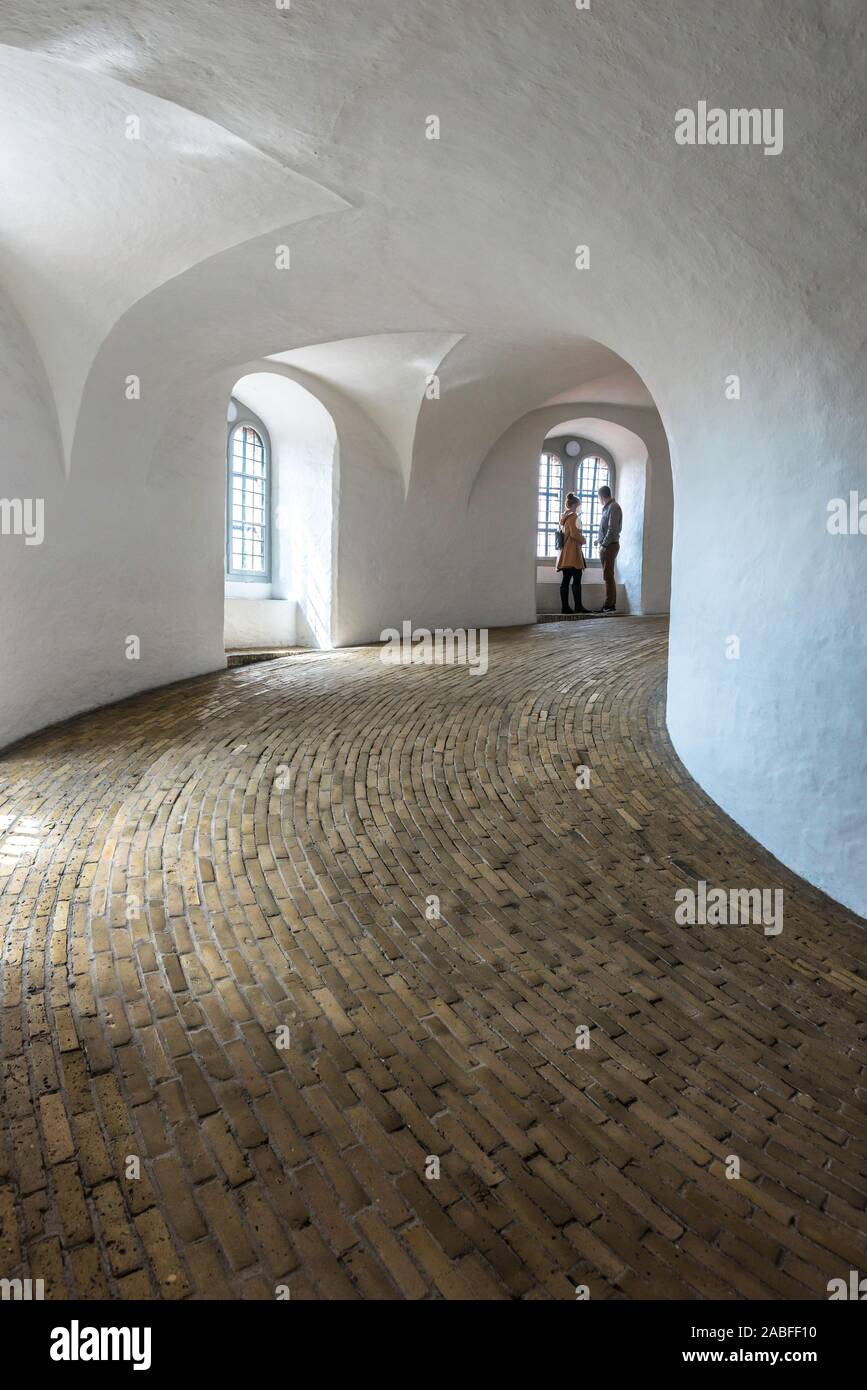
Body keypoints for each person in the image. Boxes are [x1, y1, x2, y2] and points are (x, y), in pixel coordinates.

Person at [556, 493, 589, 614]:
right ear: (575, 505)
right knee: (577, 579)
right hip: (573, 552)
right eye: (579, 505)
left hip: (565, 553)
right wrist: (584, 540)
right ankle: (578, 606)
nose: (580, 508)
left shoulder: (564, 517)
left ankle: (565, 608)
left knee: (566, 579)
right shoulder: (573, 516)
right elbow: (575, 534)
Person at [596, 484, 622, 613]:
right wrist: (599, 541)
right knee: (607, 575)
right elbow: (606, 528)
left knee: (608, 576)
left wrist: (604, 545)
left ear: (602, 496)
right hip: (606, 545)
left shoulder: (613, 507)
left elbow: (613, 529)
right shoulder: (608, 508)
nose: (599, 500)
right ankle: (609, 604)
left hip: (610, 546)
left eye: (598, 497)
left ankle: (609, 605)